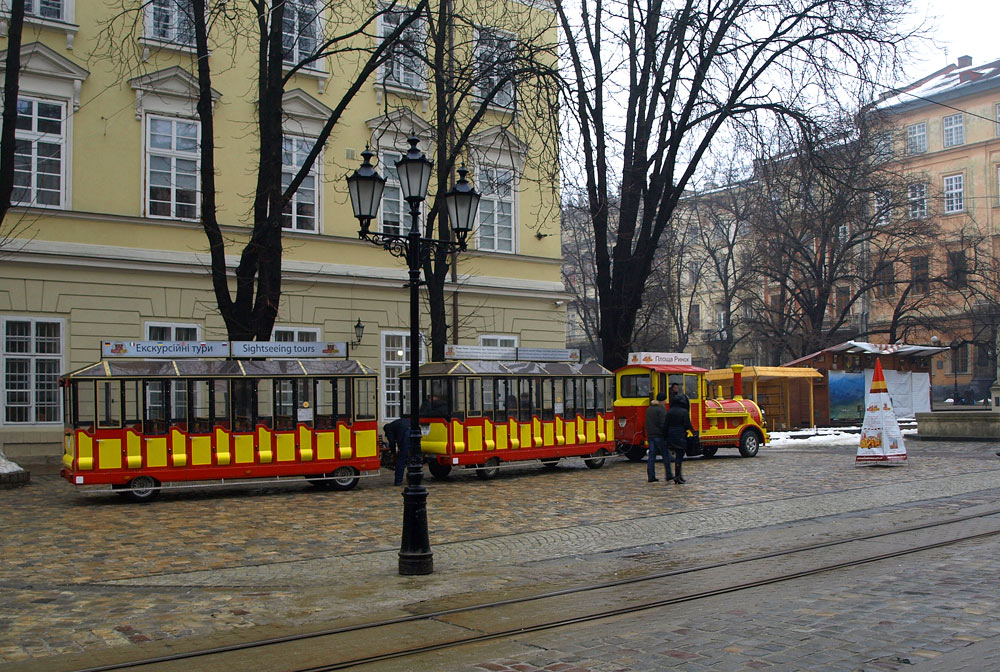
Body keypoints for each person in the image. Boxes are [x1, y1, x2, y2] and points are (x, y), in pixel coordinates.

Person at [665, 394, 695, 484]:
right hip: (680, 434)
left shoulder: (670, 412)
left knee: (678, 455)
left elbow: (666, 424)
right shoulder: (684, 412)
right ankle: (678, 476)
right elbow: (687, 424)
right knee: (679, 456)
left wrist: (665, 436)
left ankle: (678, 476)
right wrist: (693, 432)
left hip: (671, 434)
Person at [644, 392, 672, 483]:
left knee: (651, 456)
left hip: (651, 435)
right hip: (659, 435)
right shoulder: (661, 410)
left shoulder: (649, 409)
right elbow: (663, 424)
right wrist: (666, 434)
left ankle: (651, 476)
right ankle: (668, 474)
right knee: (666, 455)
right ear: (663, 400)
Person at [383, 417, 411, 486]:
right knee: (411, 458)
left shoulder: (388, 429)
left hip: (405, 435)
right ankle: (412, 479)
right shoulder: (396, 423)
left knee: (401, 459)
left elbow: (392, 442)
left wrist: (393, 453)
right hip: (413, 431)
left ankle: (398, 481)